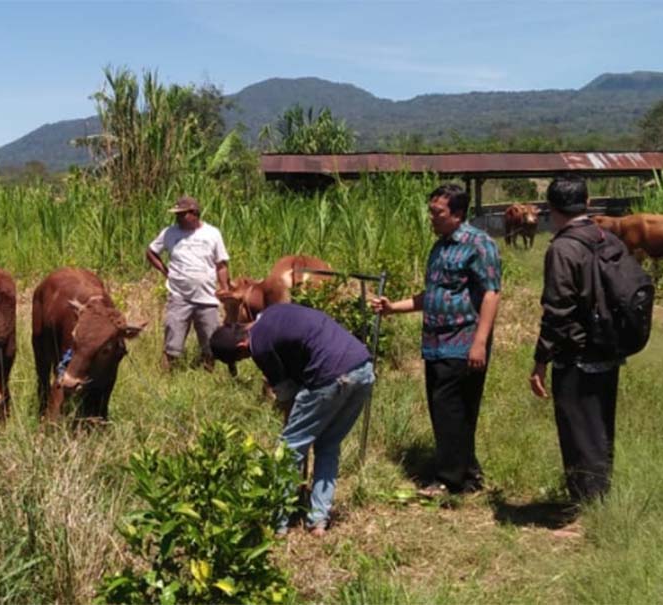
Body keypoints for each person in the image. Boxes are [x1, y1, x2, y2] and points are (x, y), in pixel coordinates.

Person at [371, 184, 501, 498]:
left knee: (451, 409)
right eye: (430, 211)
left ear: (457, 214)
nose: (431, 217)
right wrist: (393, 308)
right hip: (435, 342)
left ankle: (448, 480)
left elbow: (491, 294)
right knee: (452, 409)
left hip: (463, 340)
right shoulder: (440, 247)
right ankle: (468, 472)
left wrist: (480, 342)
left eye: (437, 212)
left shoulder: (479, 245)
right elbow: (431, 295)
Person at [209, 304, 375, 536]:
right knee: (328, 445)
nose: (249, 358)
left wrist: (293, 432)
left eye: (243, 356)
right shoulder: (269, 314)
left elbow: (286, 396)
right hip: (363, 367)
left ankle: (278, 523)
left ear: (241, 346)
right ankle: (318, 521)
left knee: (289, 448)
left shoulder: (260, 346)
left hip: (330, 375)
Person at [529, 176, 624, 504]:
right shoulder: (607, 238)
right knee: (599, 427)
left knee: (577, 431)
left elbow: (557, 310)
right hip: (609, 349)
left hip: (576, 354)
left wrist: (541, 360)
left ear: (551, 208)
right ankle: (599, 497)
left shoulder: (562, 248)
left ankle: (587, 506)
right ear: (587, 202)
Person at [147, 196, 230, 371]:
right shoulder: (169, 233)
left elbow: (221, 264)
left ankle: (209, 375)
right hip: (179, 296)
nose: (177, 218)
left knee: (211, 342)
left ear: (194, 213)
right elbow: (151, 252)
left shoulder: (212, 234)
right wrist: (164, 270)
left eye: (181, 214)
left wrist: (225, 288)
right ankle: (167, 376)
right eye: (176, 214)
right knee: (172, 342)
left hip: (206, 297)